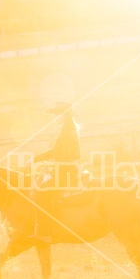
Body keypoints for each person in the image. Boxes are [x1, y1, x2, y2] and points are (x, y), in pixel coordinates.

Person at [30, 101, 81, 241]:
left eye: (57, 114)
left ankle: (45, 233)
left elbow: (58, 152)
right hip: (66, 167)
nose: (55, 118)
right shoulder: (69, 127)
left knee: (41, 193)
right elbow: (59, 151)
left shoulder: (66, 129)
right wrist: (38, 159)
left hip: (65, 169)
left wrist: (38, 159)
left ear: (62, 115)